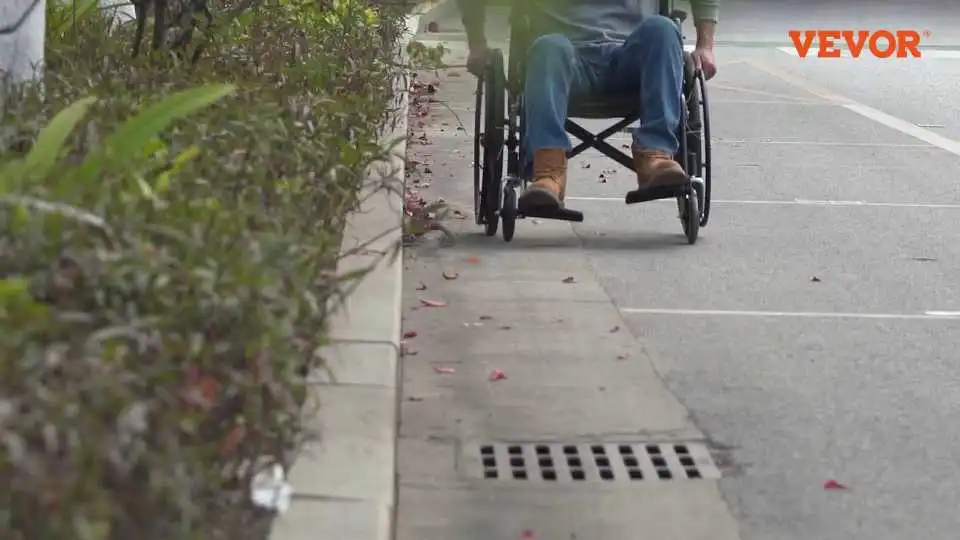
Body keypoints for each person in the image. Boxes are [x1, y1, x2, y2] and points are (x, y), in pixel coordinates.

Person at [456, 0, 719, 212]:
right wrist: (477, 43)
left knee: (662, 29)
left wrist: (705, 46)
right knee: (549, 46)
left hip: (632, 58)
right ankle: (548, 172)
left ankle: (656, 155)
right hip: (565, 62)